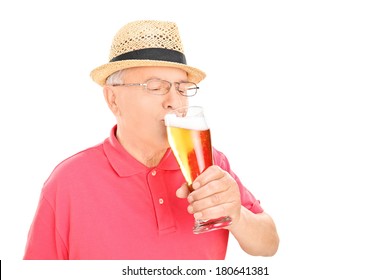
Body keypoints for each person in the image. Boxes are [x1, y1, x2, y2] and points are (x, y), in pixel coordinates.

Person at [23, 20, 279, 260]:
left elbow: (269, 244)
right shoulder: (69, 180)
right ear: (113, 99)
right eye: (156, 87)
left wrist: (237, 215)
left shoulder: (210, 162)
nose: (175, 102)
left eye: (182, 88)